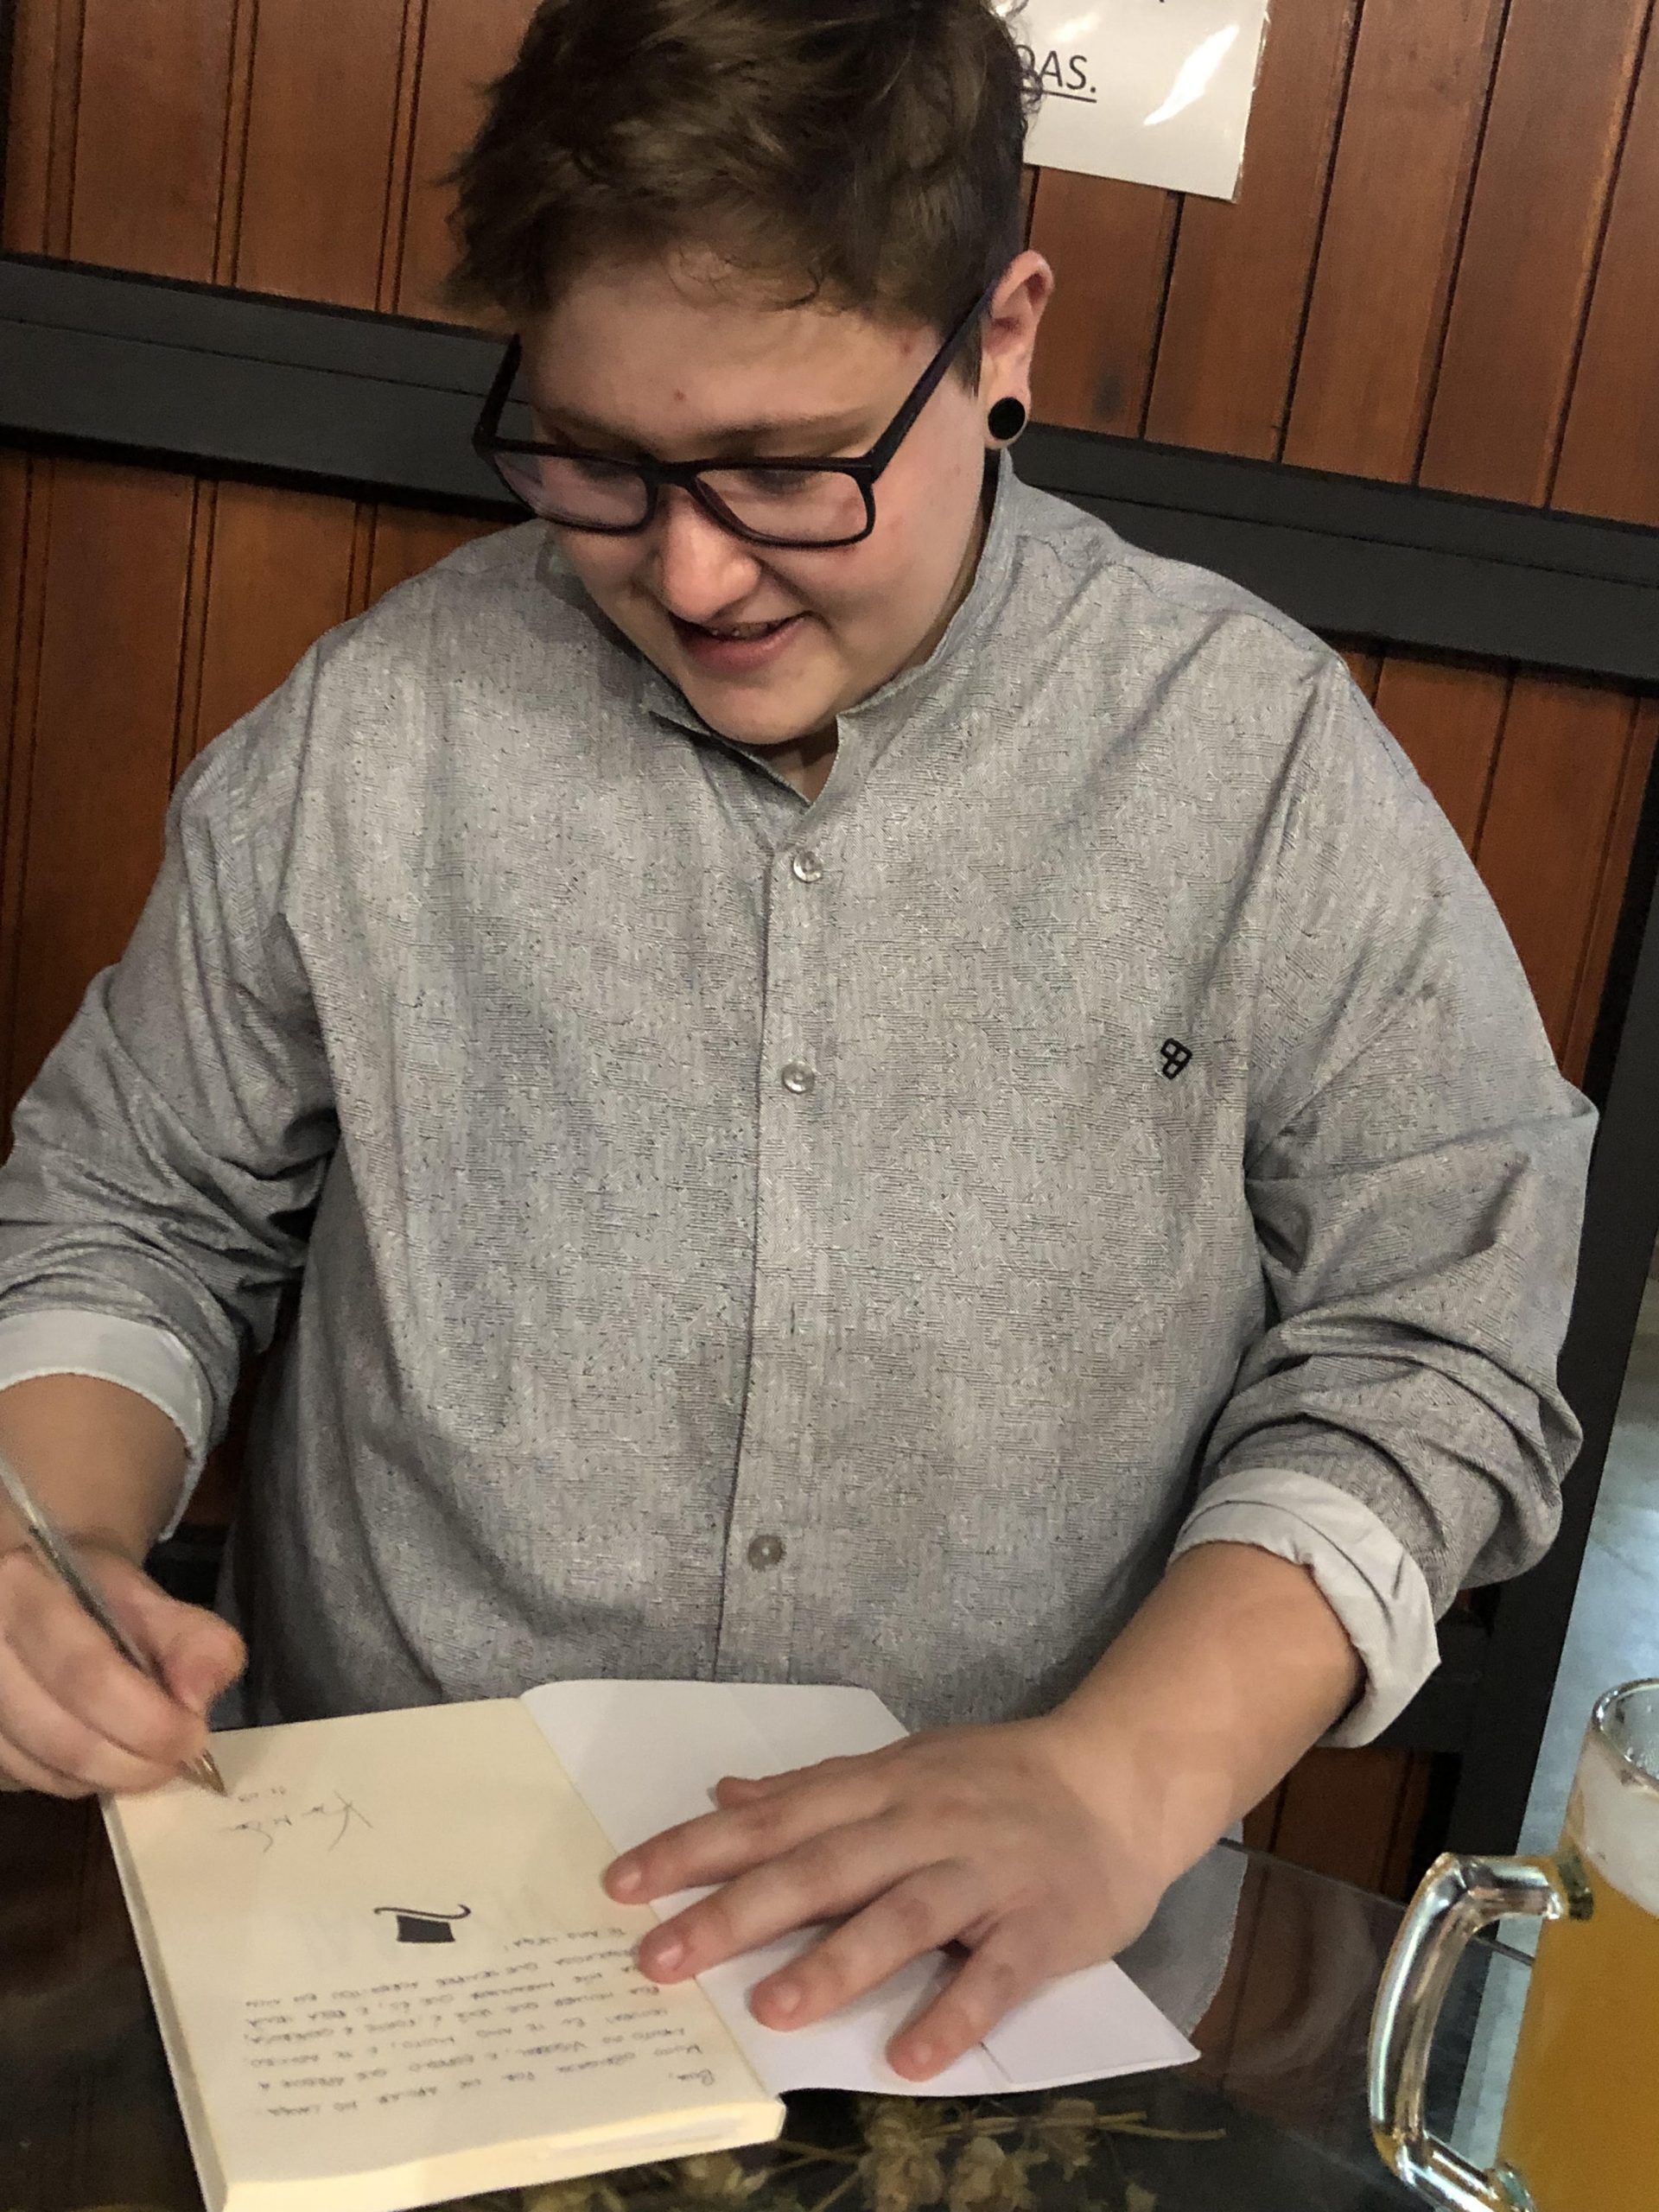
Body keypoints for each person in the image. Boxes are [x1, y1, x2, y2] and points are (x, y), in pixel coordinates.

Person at [0, 0, 1592, 2082]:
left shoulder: (1259, 756)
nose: (688, 567)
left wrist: (1120, 1774)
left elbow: (1440, 1333)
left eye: (784, 467)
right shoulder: (376, 732)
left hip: (1025, 1984)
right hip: (403, 1950)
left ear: (1003, 338)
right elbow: (131, 1209)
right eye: (597, 459)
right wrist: (54, 1548)